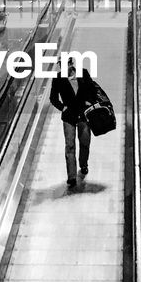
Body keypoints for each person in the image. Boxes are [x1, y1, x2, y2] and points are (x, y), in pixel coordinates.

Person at [49, 57, 100, 188]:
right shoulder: (58, 78)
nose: (62, 67)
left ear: (71, 64)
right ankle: (71, 177)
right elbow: (53, 98)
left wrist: (90, 102)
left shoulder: (83, 74)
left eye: (64, 64)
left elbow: (93, 90)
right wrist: (62, 107)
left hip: (83, 115)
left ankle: (83, 164)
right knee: (70, 146)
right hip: (69, 117)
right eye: (60, 65)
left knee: (84, 142)